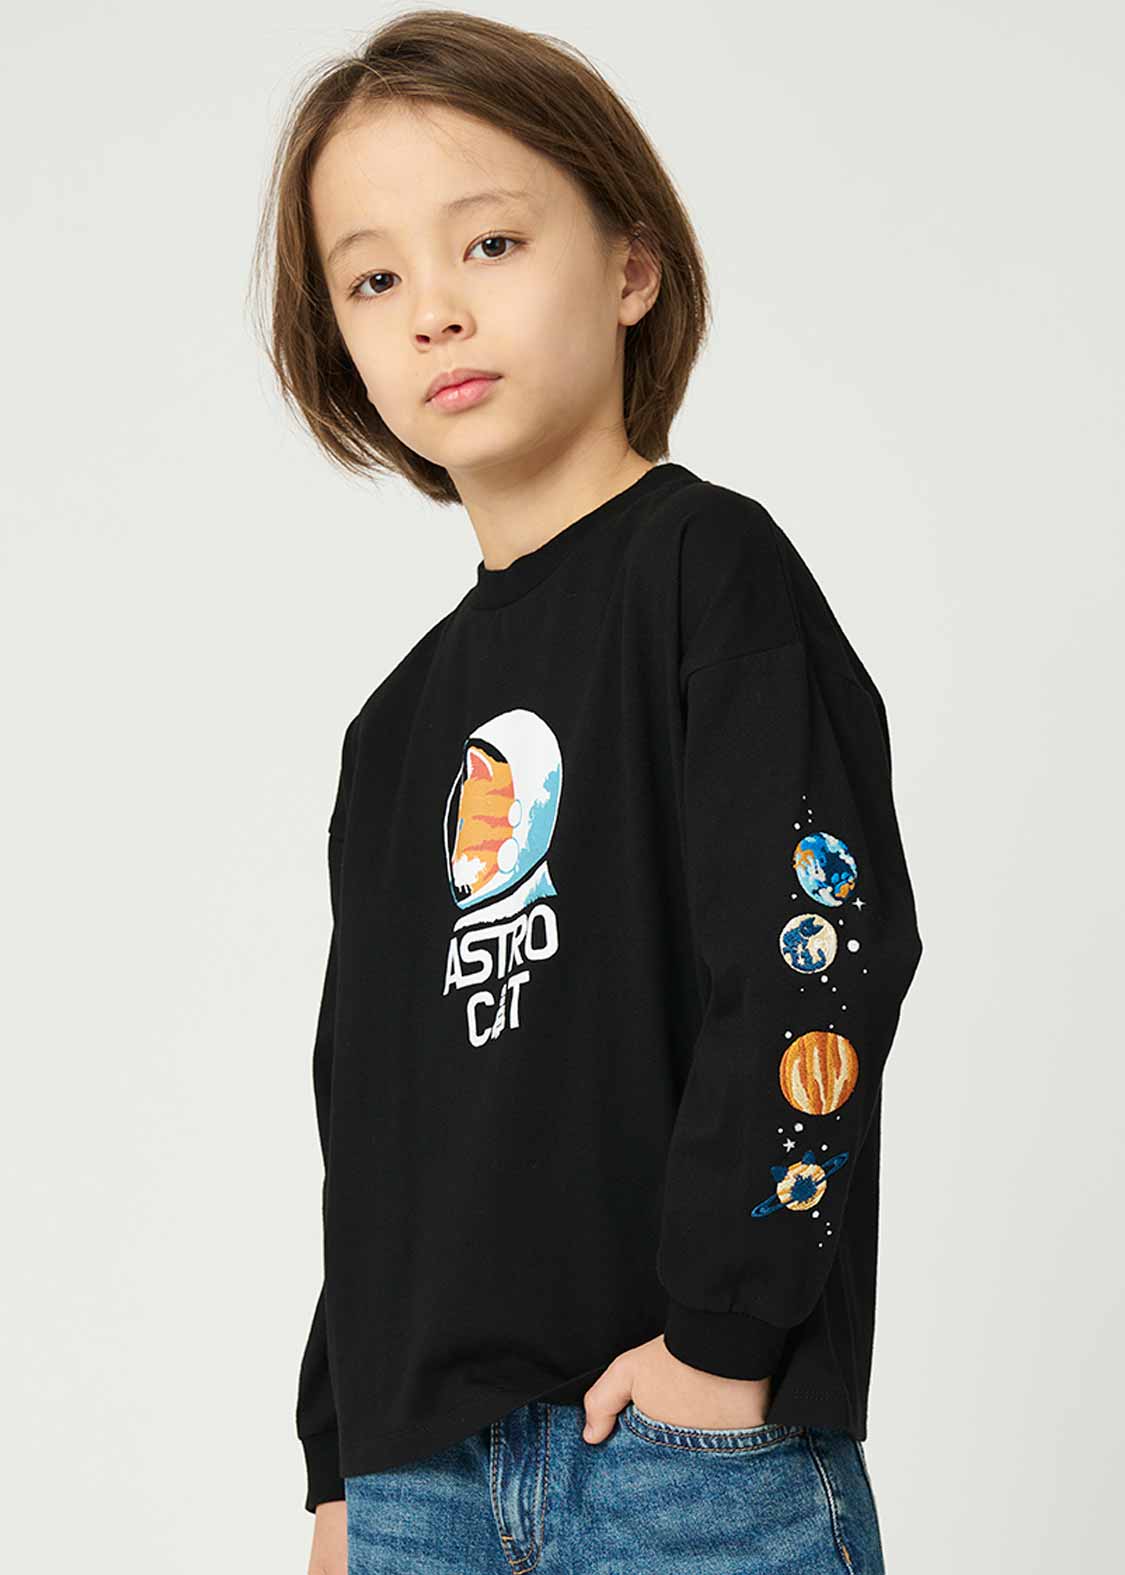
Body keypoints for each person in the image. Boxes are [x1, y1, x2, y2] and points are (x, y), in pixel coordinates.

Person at [250, 12, 923, 1573]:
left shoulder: (708, 576)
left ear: (629, 268)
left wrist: (723, 1341)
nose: (434, 309)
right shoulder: (391, 731)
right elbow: (373, 1115)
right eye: (372, 279)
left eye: (487, 242)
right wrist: (340, 1465)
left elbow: (817, 954)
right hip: (417, 1489)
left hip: (680, 1457)